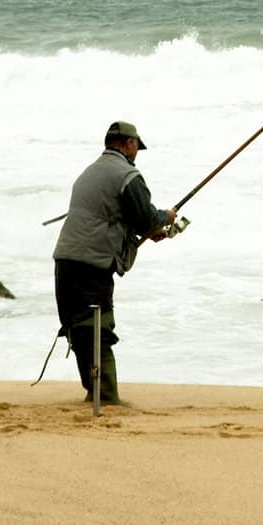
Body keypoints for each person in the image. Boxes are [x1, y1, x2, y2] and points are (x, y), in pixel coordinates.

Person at [52, 120, 177, 405]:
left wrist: (147, 230)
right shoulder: (126, 174)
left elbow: (109, 216)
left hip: (66, 260)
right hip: (91, 263)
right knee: (97, 325)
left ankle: (94, 391)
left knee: (79, 325)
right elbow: (145, 217)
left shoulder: (89, 172)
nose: (136, 153)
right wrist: (165, 218)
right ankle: (106, 396)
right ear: (129, 144)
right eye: (136, 147)